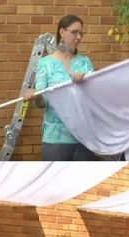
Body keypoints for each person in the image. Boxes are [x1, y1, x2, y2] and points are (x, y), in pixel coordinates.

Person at [24, 15, 99, 161]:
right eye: (74, 32)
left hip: (84, 139)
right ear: (62, 32)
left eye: (81, 34)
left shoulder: (85, 63)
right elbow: (42, 103)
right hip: (55, 141)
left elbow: (94, 98)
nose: (78, 37)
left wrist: (85, 84)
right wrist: (36, 95)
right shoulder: (45, 63)